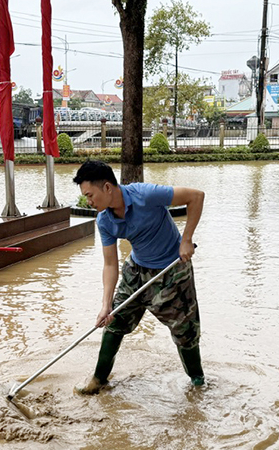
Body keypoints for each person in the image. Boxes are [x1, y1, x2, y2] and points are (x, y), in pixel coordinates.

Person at [72, 160, 205, 393]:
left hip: (172, 269)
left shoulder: (146, 195)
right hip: (137, 271)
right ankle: (99, 380)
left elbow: (196, 196)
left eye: (90, 195)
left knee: (186, 333)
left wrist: (186, 239)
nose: (88, 201)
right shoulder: (104, 221)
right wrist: (105, 305)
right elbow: (110, 264)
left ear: (107, 187)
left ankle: (197, 382)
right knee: (113, 322)